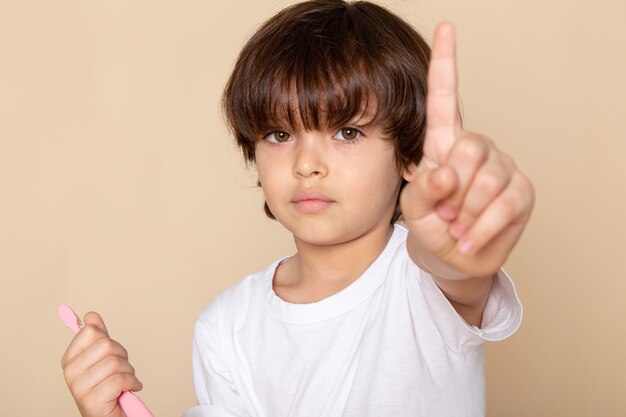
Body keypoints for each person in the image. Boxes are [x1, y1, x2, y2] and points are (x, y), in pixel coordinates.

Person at [61, 1, 534, 416]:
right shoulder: (227, 325)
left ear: (411, 154)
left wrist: (460, 237)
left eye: (348, 132)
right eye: (279, 135)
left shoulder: (428, 282)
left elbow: (454, 268)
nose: (307, 164)